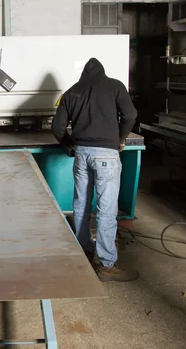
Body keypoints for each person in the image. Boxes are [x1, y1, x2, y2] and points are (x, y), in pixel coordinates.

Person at [51, 58, 138, 282]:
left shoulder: (72, 92)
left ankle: (85, 251)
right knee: (106, 209)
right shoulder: (115, 86)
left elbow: (57, 127)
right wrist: (120, 138)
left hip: (81, 154)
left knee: (81, 205)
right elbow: (130, 115)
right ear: (102, 72)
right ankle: (107, 264)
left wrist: (69, 143)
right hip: (107, 155)